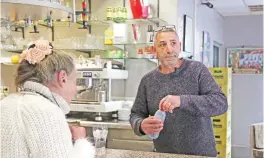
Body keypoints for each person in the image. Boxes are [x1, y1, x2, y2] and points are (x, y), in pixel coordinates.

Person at [129, 25, 228, 157]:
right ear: (154, 50)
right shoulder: (148, 81)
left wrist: (182, 101)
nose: (169, 49)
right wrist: (141, 125)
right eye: (162, 45)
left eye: (173, 43)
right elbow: (136, 114)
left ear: (179, 46)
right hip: (164, 154)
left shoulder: (197, 70)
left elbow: (220, 103)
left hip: (201, 155)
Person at [1, 40, 95, 158]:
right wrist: (81, 142)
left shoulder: (5, 104)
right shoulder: (47, 112)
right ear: (63, 78)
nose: (76, 90)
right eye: (75, 81)